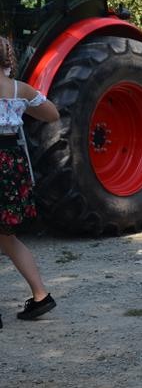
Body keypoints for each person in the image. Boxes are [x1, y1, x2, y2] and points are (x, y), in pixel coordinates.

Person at [0, 36, 60, 327]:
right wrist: (22, 108)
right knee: (6, 236)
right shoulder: (19, 89)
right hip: (11, 164)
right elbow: (52, 114)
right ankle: (40, 295)